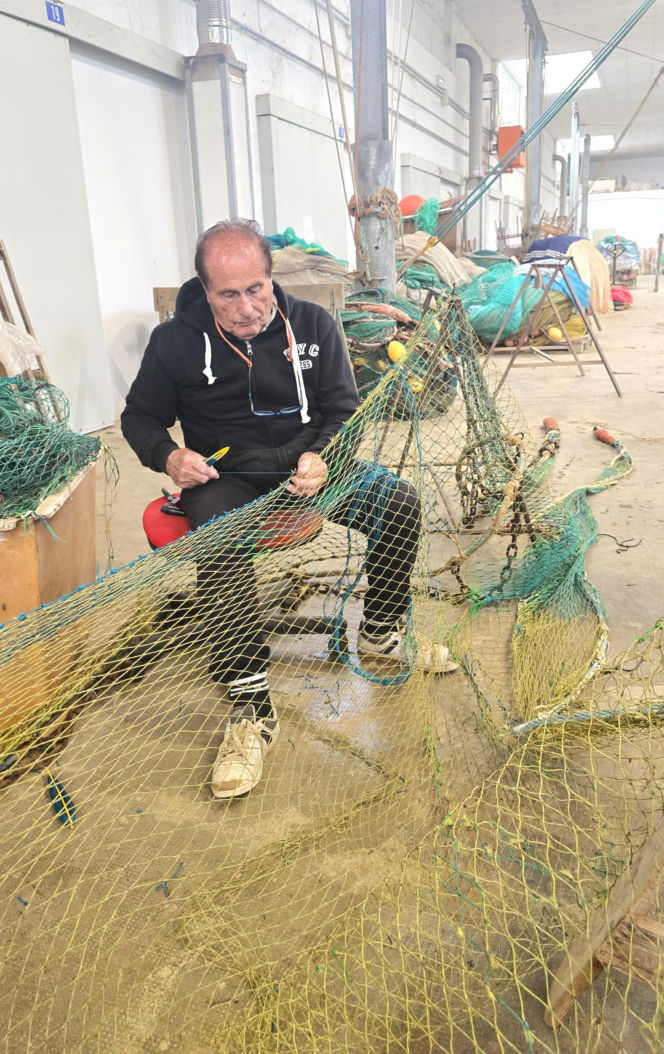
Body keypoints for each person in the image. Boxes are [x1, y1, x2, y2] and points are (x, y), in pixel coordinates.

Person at [122, 219, 456, 800]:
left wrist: (325, 454)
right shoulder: (174, 342)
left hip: (312, 467)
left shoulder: (313, 324)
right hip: (230, 474)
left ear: (271, 278)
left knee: (398, 502)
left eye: (257, 288)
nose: (248, 307)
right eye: (229, 294)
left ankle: (379, 633)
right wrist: (170, 456)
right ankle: (251, 710)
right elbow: (138, 419)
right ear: (204, 291)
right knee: (218, 540)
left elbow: (344, 410)